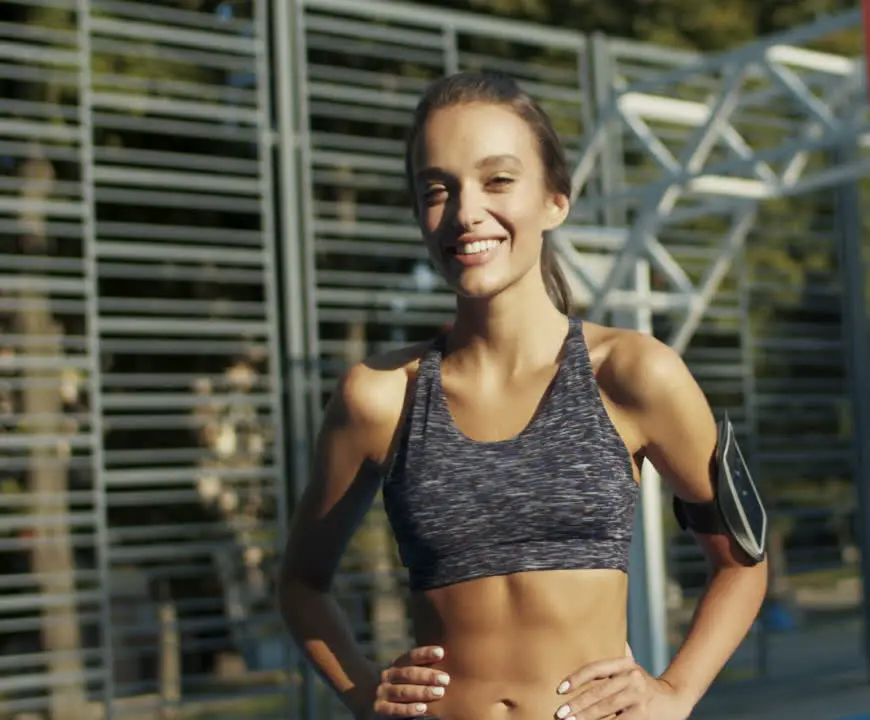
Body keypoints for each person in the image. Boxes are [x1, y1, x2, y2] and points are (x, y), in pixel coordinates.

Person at [277, 70, 769, 720]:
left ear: (555, 200)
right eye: (437, 189)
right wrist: (365, 697)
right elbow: (301, 585)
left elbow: (744, 562)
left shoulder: (631, 375)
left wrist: (675, 693)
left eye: (497, 180)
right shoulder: (379, 399)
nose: (465, 211)